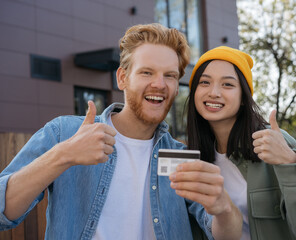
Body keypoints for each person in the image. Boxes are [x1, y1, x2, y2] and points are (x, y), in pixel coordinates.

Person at [0, 25, 243, 240]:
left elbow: (223, 234)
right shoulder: (65, 133)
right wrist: (63, 155)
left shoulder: (179, 155)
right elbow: (3, 211)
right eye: (146, 72)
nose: (159, 84)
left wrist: (223, 207)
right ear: (122, 78)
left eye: (169, 75)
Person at [186, 46, 296, 240]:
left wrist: (290, 162)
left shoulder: (273, 141)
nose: (213, 92)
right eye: (204, 82)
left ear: (244, 98)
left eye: (228, 85)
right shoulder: (194, 157)